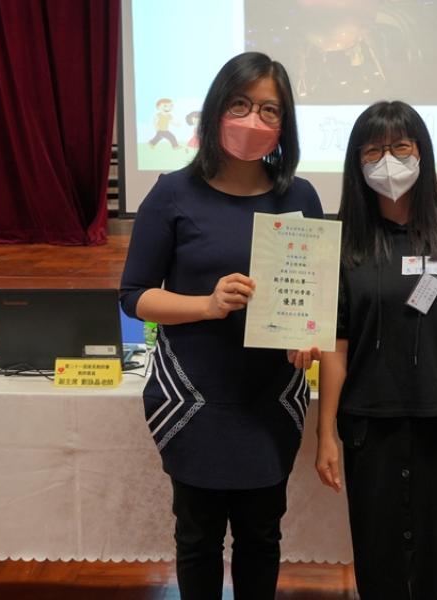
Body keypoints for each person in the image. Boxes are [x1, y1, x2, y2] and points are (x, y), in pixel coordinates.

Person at [120, 52, 322, 600]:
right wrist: (207, 304)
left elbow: (312, 294)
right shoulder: (172, 193)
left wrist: (308, 337)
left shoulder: (299, 197)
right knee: (197, 537)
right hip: (192, 400)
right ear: (215, 110)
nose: (254, 120)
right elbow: (135, 297)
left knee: (262, 535)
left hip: (271, 399)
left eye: (269, 110)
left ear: (284, 123)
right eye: (240, 104)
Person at [315, 100, 437, 599]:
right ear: (356, 162)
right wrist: (325, 432)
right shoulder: (342, 241)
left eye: (400, 148)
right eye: (373, 152)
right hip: (369, 427)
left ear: (422, 153)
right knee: (379, 564)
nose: (388, 162)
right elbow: (336, 343)